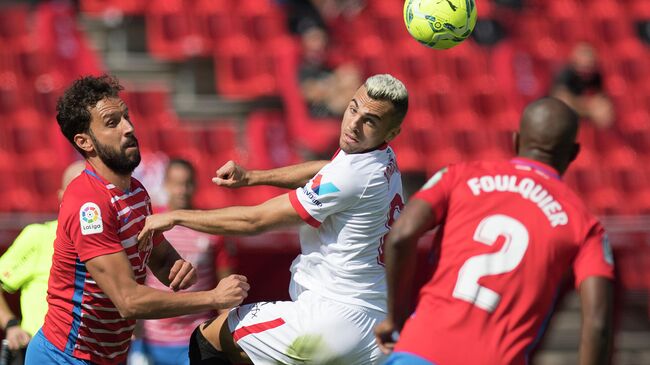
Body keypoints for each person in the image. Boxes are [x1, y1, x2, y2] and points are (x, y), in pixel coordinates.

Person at [137, 74, 408, 365]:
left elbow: (256, 221)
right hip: (373, 325)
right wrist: (254, 177)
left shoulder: (351, 175)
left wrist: (177, 217)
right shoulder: (383, 158)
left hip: (329, 319)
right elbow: (327, 170)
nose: (354, 124)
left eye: (370, 121)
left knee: (210, 338)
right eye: (353, 108)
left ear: (391, 132)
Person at [24, 75, 249, 365]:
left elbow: (157, 253)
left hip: (108, 357)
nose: (129, 128)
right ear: (84, 141)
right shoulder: (89, 204)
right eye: (112, 122)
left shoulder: (136, 192)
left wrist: (174, 267)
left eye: (126, 117)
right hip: (64, 358)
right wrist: (212, 298)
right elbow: (129, 301)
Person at [374, 97, 615, 365]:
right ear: (573, 153)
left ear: (516, 140)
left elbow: (401, 236)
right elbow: (598, 323)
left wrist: (395, 318)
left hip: (420, 349)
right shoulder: (583, 224)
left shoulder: (459, 176)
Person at [130, 159, 236, 365]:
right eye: (176, 183)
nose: (182, 190)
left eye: (187, 183)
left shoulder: (212, 228)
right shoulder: (149, 225)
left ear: (195, 185)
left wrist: (229, 333)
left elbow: (225, 283)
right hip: (152, 339)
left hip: (197, 336)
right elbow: (135, 281)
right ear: (165, 185)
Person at [0, 161, 85, 365]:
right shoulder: (38, 236)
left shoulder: (109, 243)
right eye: (78, 189)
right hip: (42, 354)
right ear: (61, 197)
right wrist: (11, 324)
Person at [550, 42, 614, 129]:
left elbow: (600, 99)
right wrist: (587, 107)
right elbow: (562, 102)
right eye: (584, 57)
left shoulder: (596, 76)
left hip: (583, 115)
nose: (587, 62)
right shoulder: (566, 75)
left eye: (590, 58)